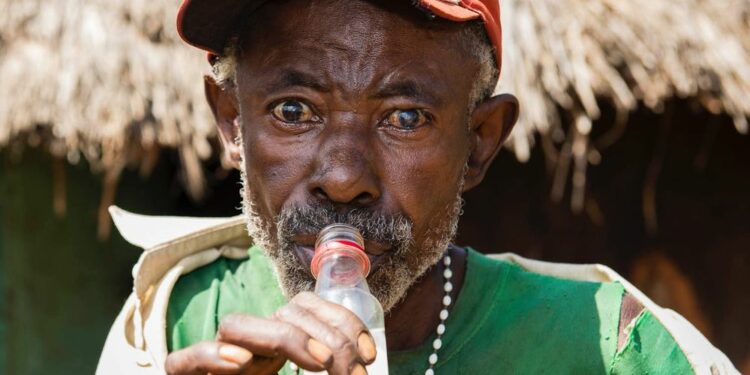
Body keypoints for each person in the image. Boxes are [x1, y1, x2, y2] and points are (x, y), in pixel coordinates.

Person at [97, 0, 738, 374]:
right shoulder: (170, 324)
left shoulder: (612, 345)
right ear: (233, 121)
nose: (343, 178)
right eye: (293, 111)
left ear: (478, 143)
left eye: (405, 118)